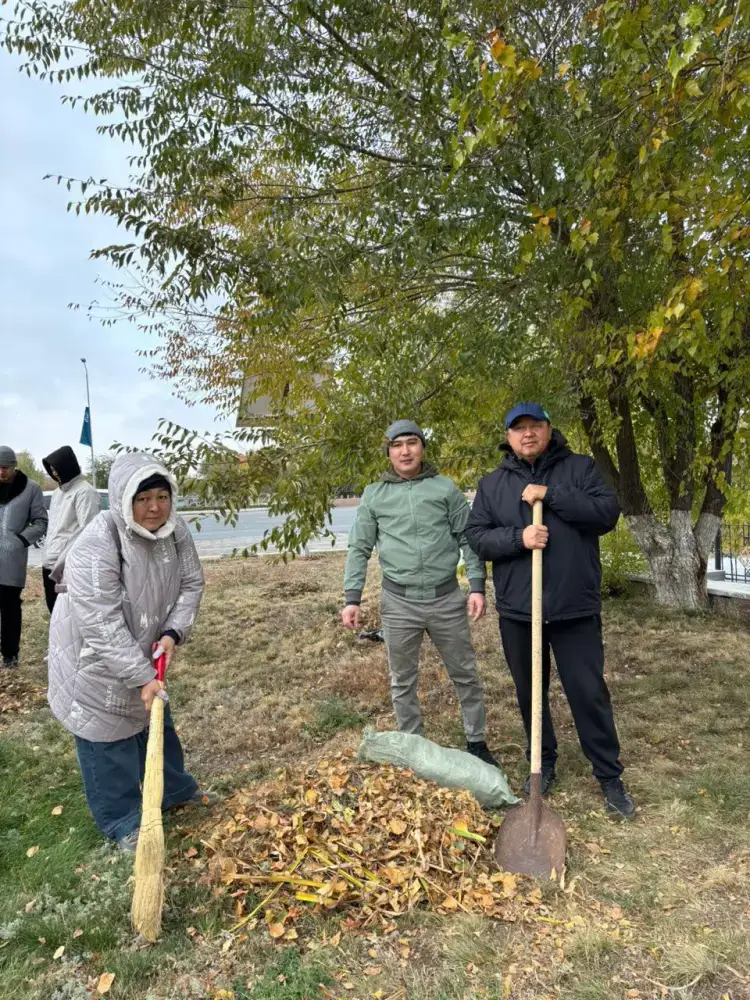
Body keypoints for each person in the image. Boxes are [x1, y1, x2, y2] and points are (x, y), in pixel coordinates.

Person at [465, 403, 635, 820]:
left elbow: (605, 514)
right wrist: (519, 538)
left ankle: (609, 776)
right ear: (507, 437)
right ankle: (545, 762)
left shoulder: (579, 469)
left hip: (573, 607)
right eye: (518, 429)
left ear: (548, 429)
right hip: (520, 611)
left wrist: (551, 496)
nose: (527, 434)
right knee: (530, 693)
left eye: (534, 426)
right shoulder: (493, 485)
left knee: (588, 691)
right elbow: (477, 537)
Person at [47, 452, 215, 852]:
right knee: (107, 738)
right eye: (142, 499)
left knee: (156, 722)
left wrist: (174, 632)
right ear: (123, 500)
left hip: (145, 650)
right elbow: (101, 624)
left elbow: (192, 584)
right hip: (91, 659)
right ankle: (121, 819)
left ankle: (173, 791)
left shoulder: (175, 532)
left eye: (161, 496)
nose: (154, 507)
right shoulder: (97, 541)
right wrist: (141, 676)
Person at [342, 419, 498, 766]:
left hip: (446, 599)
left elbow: (468, 538)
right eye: (397, 445)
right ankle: (414, 749)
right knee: (402, 680)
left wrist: (476, 586)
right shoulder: (375, 495)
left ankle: (476, 742)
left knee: (465, 674)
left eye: (412, 442)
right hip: (399, 603)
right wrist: (351, 597)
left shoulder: (445, 489)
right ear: (389, 453)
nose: (405, 450)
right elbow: (359, 547)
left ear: (422, 448)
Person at [0, 446, 48, 669]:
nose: (1, 471)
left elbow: (40, 521)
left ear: (14, 466)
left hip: (12, 560)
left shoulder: (31, 489)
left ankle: (10, 655)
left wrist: (20, 540)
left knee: (10, 609)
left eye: (6, 467)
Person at [41, 446, 101, 615]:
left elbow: (87, 532)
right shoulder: (57, 493)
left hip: (67, 565)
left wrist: (67, 561)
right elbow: (55, 528)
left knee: (68, 615)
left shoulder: (85, 492)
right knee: (54, 612)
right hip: (49, 562)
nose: (55, 473)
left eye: (57, 469)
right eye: (51, 470)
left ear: (68, 465)